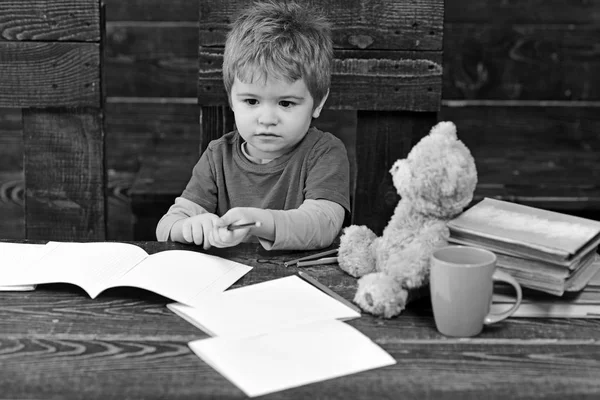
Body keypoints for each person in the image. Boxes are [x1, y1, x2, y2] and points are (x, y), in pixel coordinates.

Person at [156, 0, 350, 250]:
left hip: (300, 280)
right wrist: (189, 227)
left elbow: (323, 224)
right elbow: (166, 225)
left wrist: (257, 221)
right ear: (232, 100)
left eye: (286, 103)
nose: (267, 118)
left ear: (318, 103)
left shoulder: (324, 153)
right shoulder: (218, 157)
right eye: (251, 100)